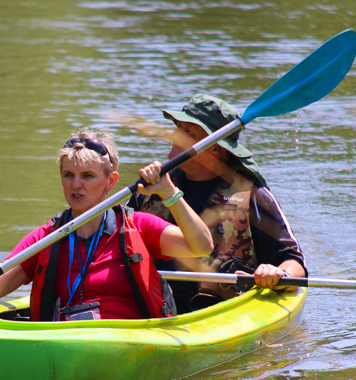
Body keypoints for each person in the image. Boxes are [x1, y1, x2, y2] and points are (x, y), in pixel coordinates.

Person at [0, 127, 215, 321]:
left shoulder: (138, 226)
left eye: (87, 176)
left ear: (111, 182)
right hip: (66, 345)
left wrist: (169, 193)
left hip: (131, 342)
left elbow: (202, 246)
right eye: (68, 175)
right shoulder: (46, 237)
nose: (75, 185)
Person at [127, 94, 307, 313]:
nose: (174, 135)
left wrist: (278, 273)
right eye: (178, 127)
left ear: (215, 149)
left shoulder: (253, 197)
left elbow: (294, 263)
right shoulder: (148, 191)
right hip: (153, 306)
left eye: (188, 132)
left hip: (222, 311)